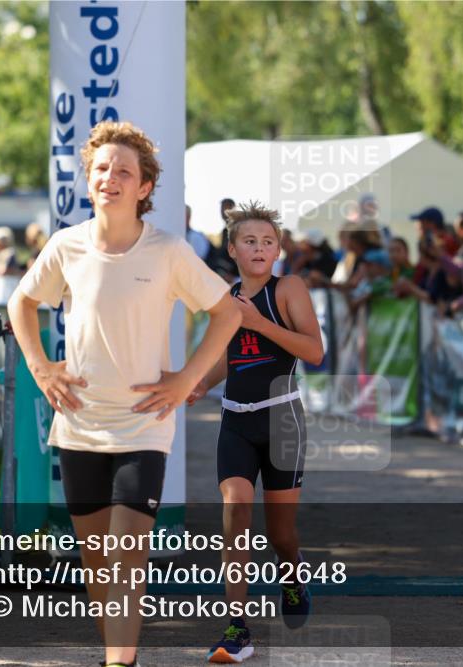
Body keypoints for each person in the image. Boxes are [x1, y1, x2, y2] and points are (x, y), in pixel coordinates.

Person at [7, 120, 241, 667]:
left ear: (144, 188)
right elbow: (21, 303)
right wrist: (41, 369)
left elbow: (228, 312)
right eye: (101, 169)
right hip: (79, 424)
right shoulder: (66, 247)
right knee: (97, 562)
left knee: (126, 554)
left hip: (143, 424)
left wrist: (186, 379)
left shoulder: (167, 251)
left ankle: (120, 663)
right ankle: (117, 651)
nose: (110, 177)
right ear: (89, 180)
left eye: (124, 171)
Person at [187, 202, 323, 664]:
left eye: (268, 241)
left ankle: (292, 575)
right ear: (233, 249)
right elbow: (231, 357)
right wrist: (200, 383)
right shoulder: (225, 297)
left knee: (281, 535)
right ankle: (237, 627)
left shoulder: (289, 289)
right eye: (250, 241)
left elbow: (314, 351)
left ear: (279, 249)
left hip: (282, 420)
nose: (259, 248)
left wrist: (260, 322)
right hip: (236, 420)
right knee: (235, 508)